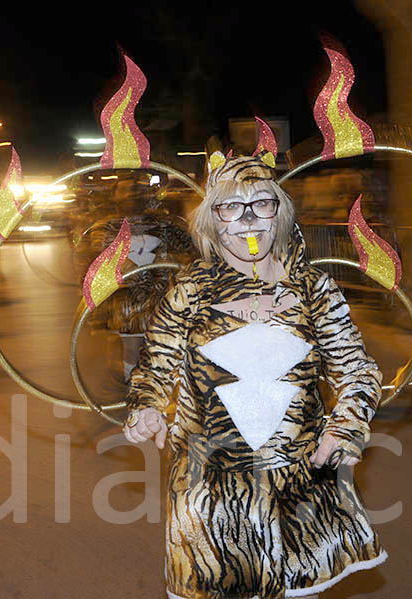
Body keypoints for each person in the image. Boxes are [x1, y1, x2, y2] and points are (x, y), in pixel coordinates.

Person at [123, 151, 386, 598]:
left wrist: (345, 429)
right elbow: (155, 365)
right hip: (211, 491)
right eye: (231, 207)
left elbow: (358, 370)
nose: (248, 220)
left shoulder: (313, 289)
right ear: (212, 219)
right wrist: (146, 406)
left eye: (261, 203)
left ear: (279, 212)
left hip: (300, 486)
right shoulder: (190, 289)